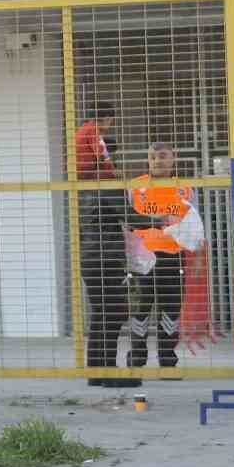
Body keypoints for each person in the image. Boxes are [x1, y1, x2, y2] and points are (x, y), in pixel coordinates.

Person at [77, 103, 136, 387]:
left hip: (89, 256)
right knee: (112, 313)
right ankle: (110, 374)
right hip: (108, 256)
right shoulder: (108, 183)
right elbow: (129, 217)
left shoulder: (82, 188)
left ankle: (96, 372)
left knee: (100, 313)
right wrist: (161, 220)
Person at [127, 143, 190, 372]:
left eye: (163, 156)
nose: (157, 161)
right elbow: (125, 220)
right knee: (140, 309)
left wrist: (200, 254)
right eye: (153, 157)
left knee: (170, 310)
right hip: (142, 257)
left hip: (173, 256)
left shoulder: (185, 188)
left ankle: (167, 359)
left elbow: (194, 223)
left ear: (173, 159)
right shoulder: (135, 187)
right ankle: (137, 356)